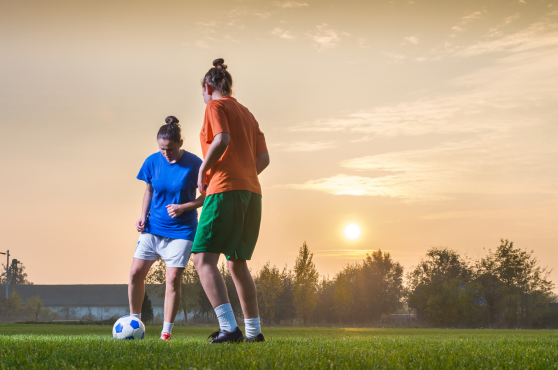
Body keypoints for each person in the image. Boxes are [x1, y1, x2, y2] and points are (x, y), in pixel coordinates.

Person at [192, 58, 270, 343]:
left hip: (224, 190)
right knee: (237, 263)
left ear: (207, 86)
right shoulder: (247, 113)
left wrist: (204, 169)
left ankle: (229, 328)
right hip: (252, 192)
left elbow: (222, 138)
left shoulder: (215, 106)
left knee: (203, 259)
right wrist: (244, 174)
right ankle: (254, 332)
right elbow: (264, 158)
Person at [128, 116, 204, 341]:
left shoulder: (194, 164)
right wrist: (142, 217)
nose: (165, 153)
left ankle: (166, 332)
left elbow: (208, 196)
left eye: (170, 149)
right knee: (135, 274)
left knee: (172, 279)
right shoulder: (152, 161)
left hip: (182, 230)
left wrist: (183, 207)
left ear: (180, 143)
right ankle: (135, 323)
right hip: (153, 228)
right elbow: (149, 190)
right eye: (161, 148)